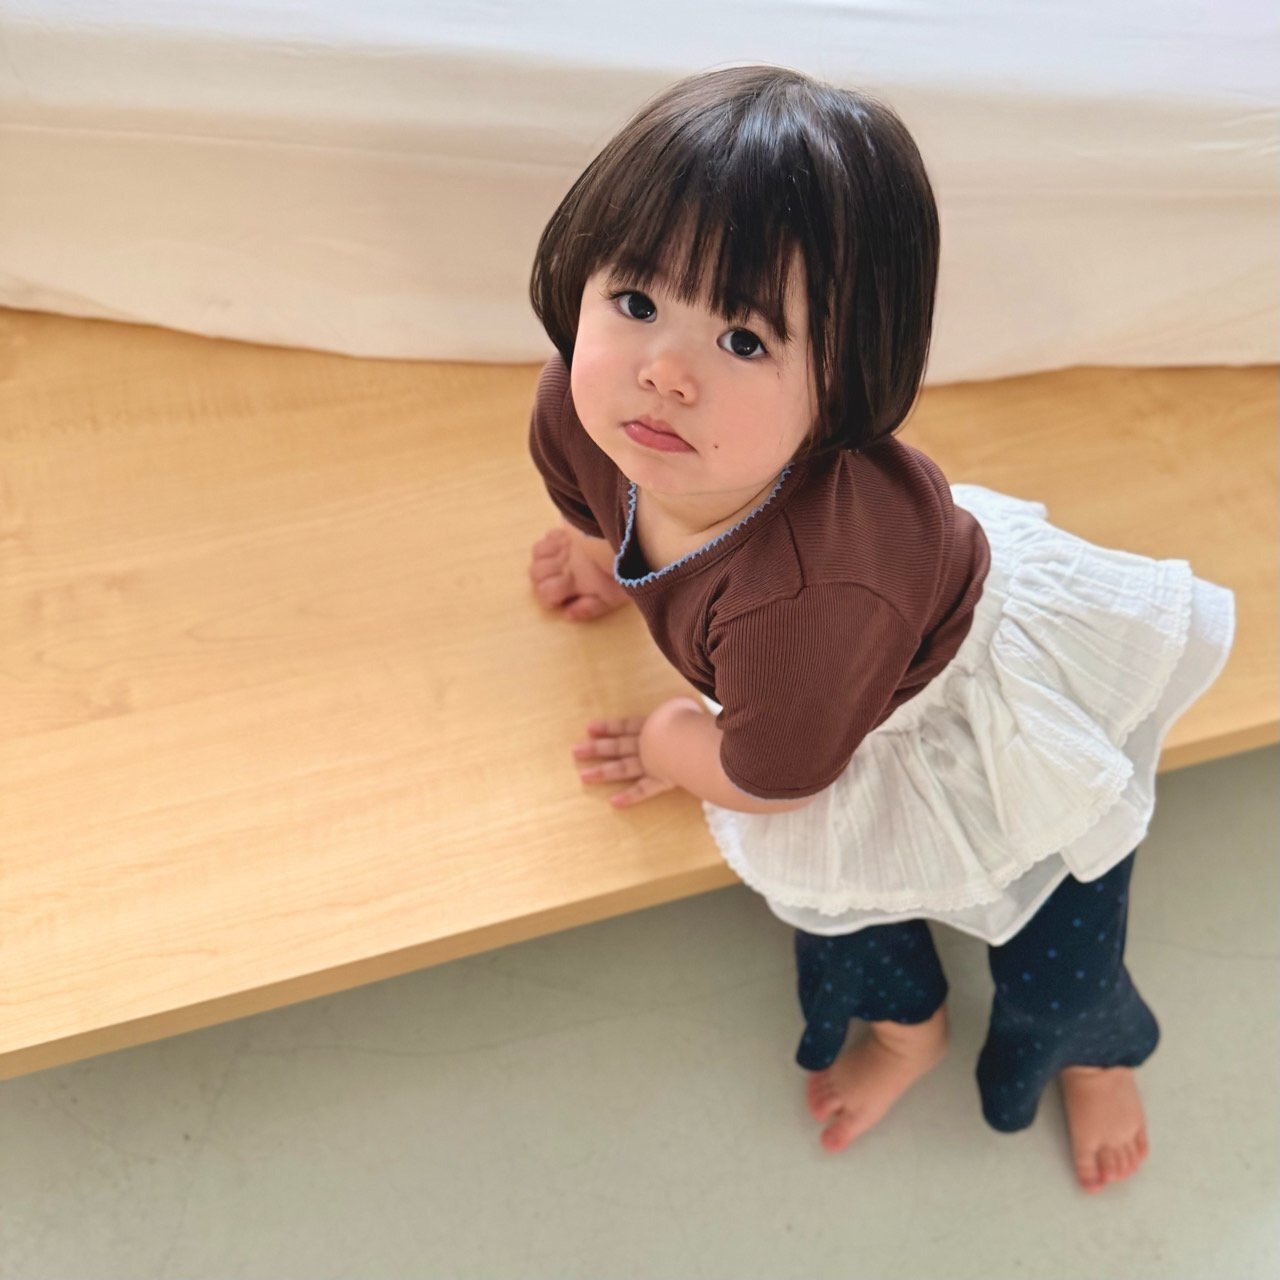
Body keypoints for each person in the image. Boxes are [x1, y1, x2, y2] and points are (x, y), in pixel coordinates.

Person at [523, 64, 1236, 1193]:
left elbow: (774, 783)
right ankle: (910, 1033)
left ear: (844, 382)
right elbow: (588, 486)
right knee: (854, 924)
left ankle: (1089, 1047)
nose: (662, 374)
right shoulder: (579, 406)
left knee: (1053, 923)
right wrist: (597, 551)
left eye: (745, 340)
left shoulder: (812, 597)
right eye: (637, 301)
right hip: (815, 695)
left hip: (954, 709)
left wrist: (669, 739)